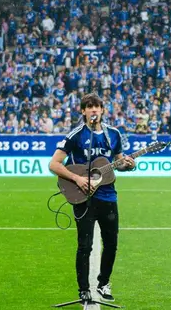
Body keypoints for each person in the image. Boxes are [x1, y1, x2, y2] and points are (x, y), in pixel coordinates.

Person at [49, 93, 136, 304]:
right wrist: (77, 178)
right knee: (84, 246)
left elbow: (118, 163)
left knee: (112, 244)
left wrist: (129, 165)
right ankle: (83, 289)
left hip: (107, 196)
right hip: (83, 198)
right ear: (83, 111)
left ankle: (104, 283)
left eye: (97, 106)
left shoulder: (113, 134)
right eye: (89, 107)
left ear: (103, 110)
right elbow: (54, 164)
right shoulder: (76, 135)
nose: (94, 110)